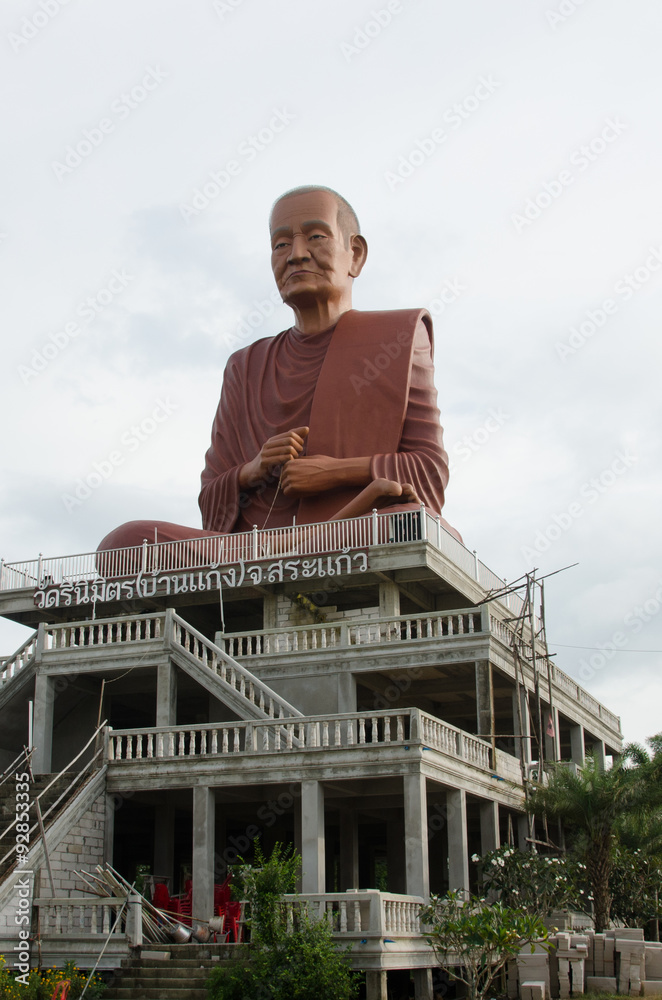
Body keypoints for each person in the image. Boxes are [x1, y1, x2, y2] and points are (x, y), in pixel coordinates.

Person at [98, 185, 459, 555]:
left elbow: (428, 470)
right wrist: (252, 470)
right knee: (123, 543)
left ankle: (298, 549)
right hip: (254, 546)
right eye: (281, 244)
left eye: (316, 237)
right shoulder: (245, 365)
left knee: (410, 523)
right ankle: (286, 552)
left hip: (358, 529)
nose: (296, 254)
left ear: (355, 254)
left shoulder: (396, 338)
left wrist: (334, 472)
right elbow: (211, 495)